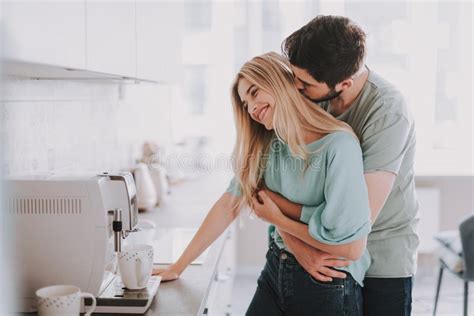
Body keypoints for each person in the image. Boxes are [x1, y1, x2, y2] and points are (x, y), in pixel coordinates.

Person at [153, 52, 372, 315]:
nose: (252, 108)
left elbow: (349, 246)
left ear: (281, 83)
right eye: (246, 103)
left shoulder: (338, 145)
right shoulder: (268, 146)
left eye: (255, 93)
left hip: (328, 283)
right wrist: (179, 265)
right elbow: (228, 205)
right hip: (276, 268)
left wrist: (277, 218)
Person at [263, 15, 418, 316]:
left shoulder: (388, 113)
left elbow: (353, 225)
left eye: (305, 83)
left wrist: (278, 218)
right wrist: (299, 247)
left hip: (382, 256)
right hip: (321, 245)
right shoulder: (311, 93)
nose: (295, 88)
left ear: (344, 83)